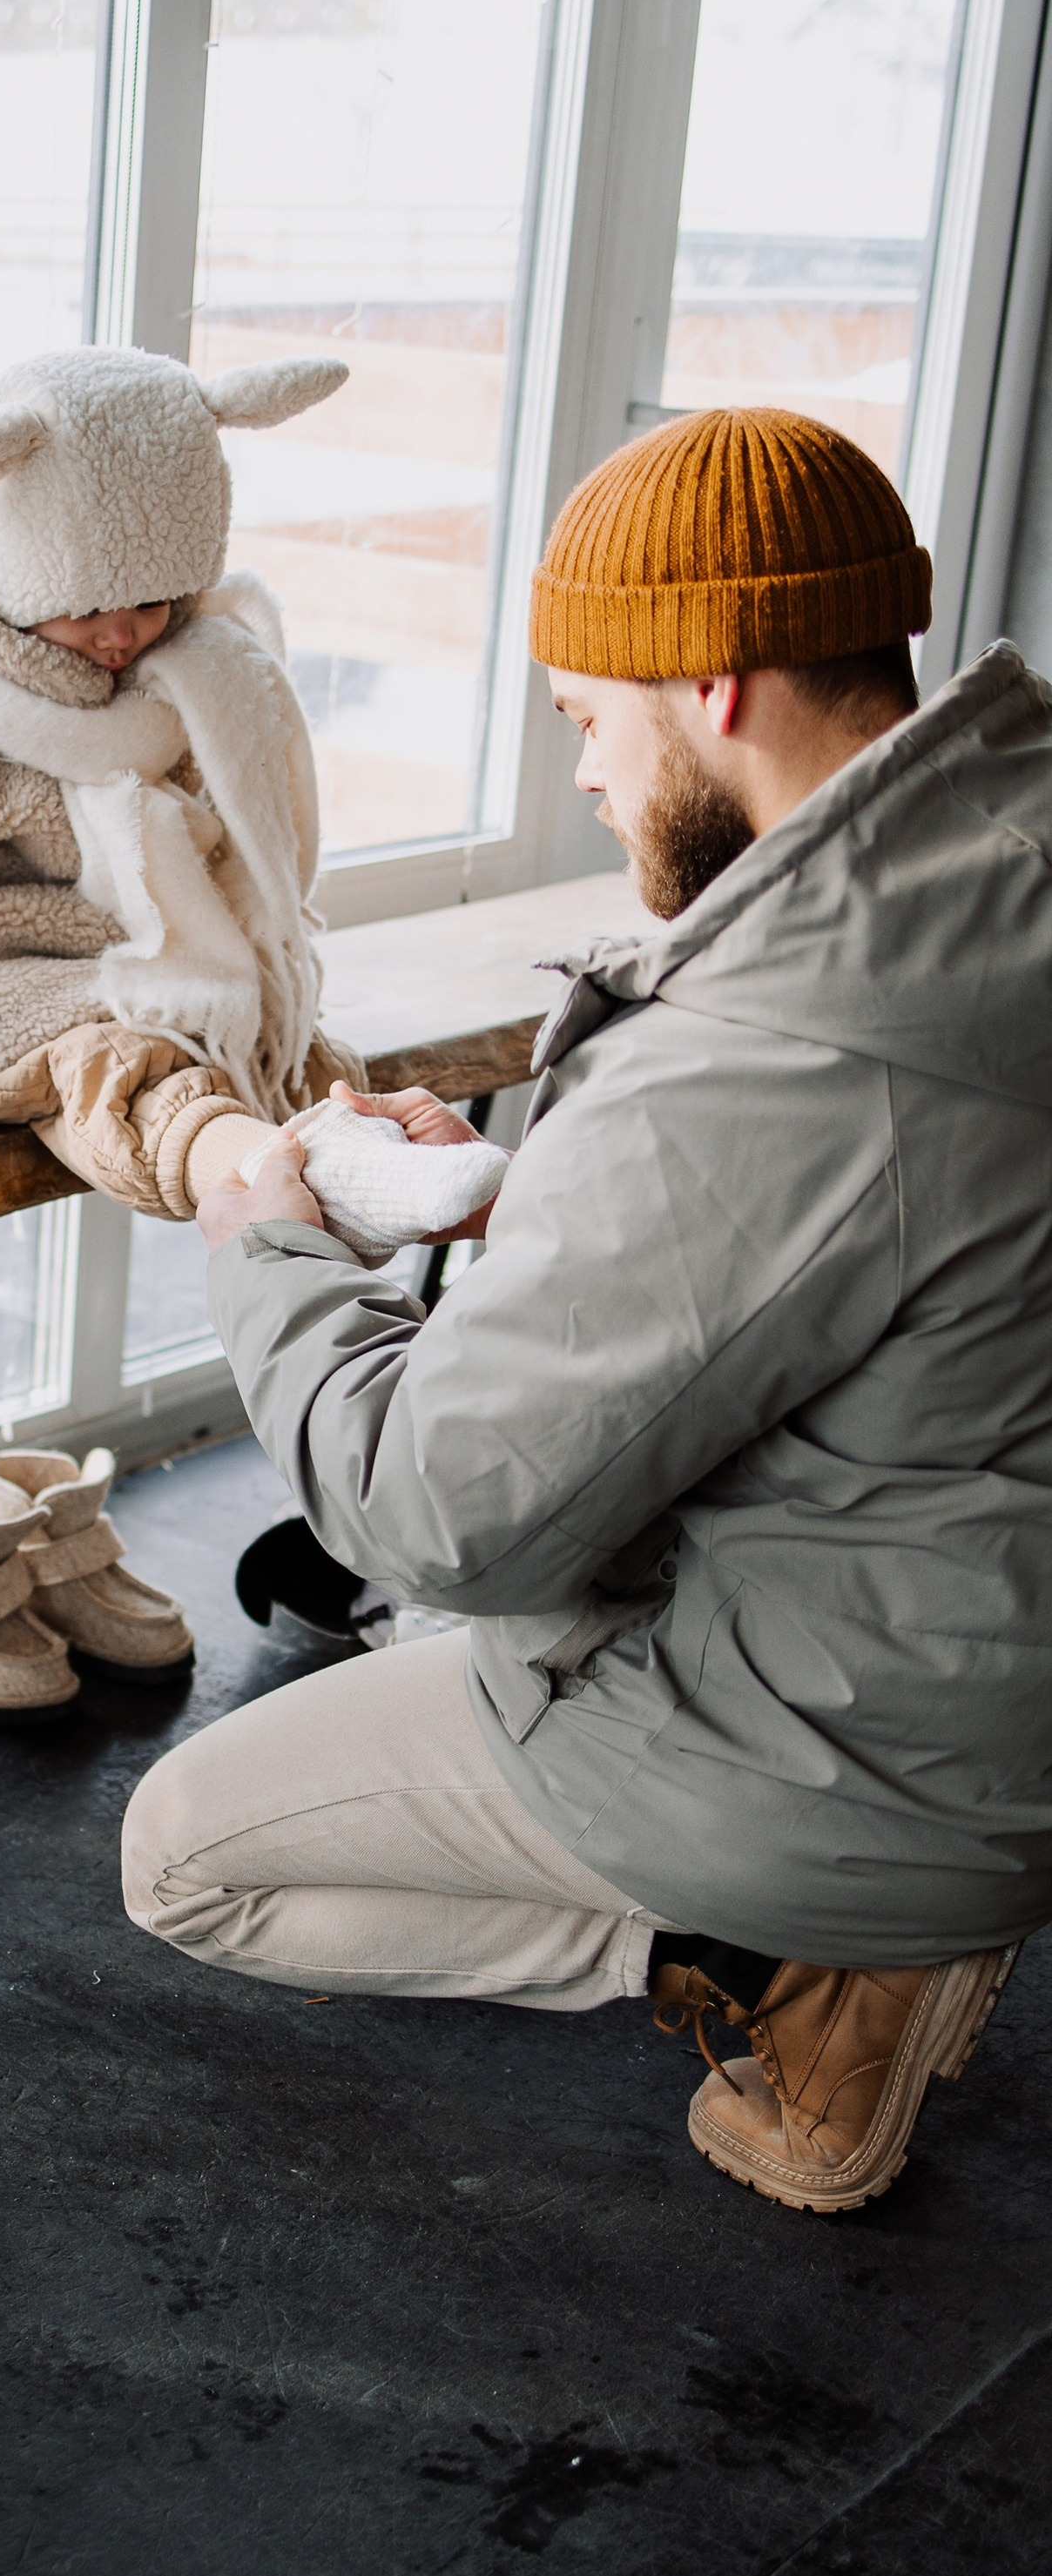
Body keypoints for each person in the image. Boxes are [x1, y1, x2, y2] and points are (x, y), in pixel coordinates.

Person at [122, 405, 1049, 2215]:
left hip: (870, 1766)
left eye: (585, 720)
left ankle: (780, 1967)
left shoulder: (773, 1054)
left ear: (711, 683)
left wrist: (266, 1241)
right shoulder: (993, 873)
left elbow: (435, 1516)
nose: (584, 780)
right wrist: (536, 1195)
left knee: (183, 1857)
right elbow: (887, 1238)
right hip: (981, 1656)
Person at [0, 342, 487, 1249]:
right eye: (90, 602)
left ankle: (372, 1159)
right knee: (120, 1063)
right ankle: (292, 1175)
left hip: (107, 952)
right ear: (5, 554)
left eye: (154, 597)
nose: (122, 634)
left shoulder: (182, 670)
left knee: (269, 1039)